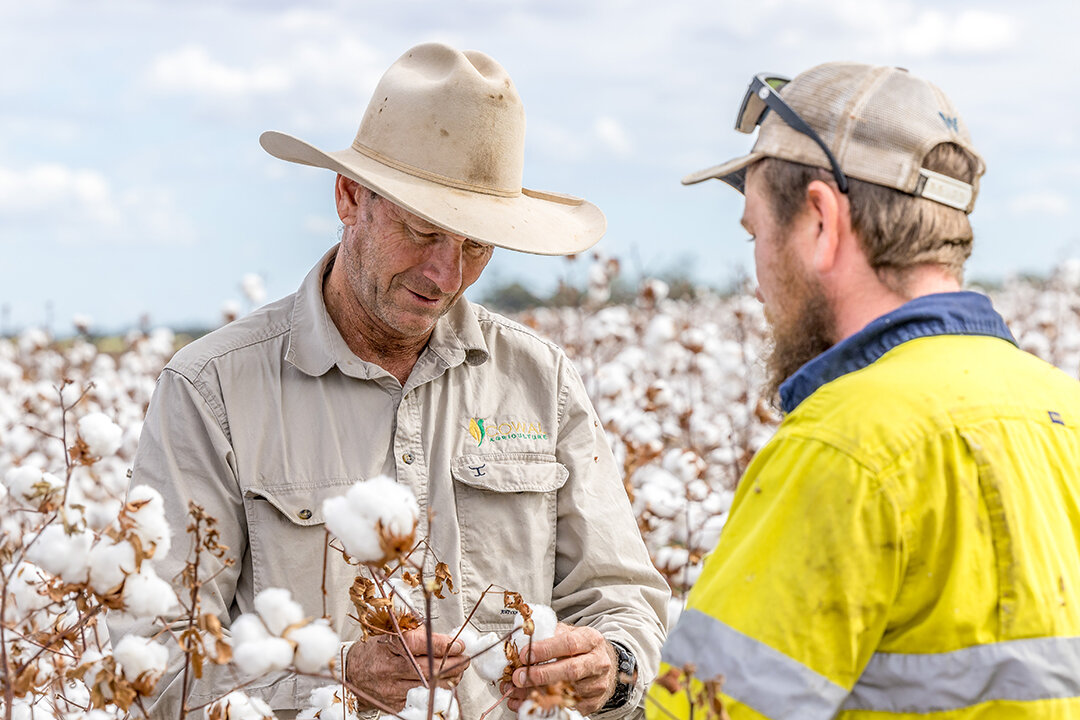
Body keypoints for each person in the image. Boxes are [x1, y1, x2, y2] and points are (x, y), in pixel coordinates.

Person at [110, 42, 668, 719]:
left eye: (475, 245)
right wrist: (334, 682)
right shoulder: (212, 391)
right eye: (423, 230)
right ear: (350, 198)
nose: (446, 275)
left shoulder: (540, 379)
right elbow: (150, 661)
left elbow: (622, 598)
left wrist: (611, 665)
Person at [647, 63, 1080, 718]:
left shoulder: (845, 445)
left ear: (821, 221)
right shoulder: (1065, 412)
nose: (757, 281)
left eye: (755, 234)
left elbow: (706, 712)